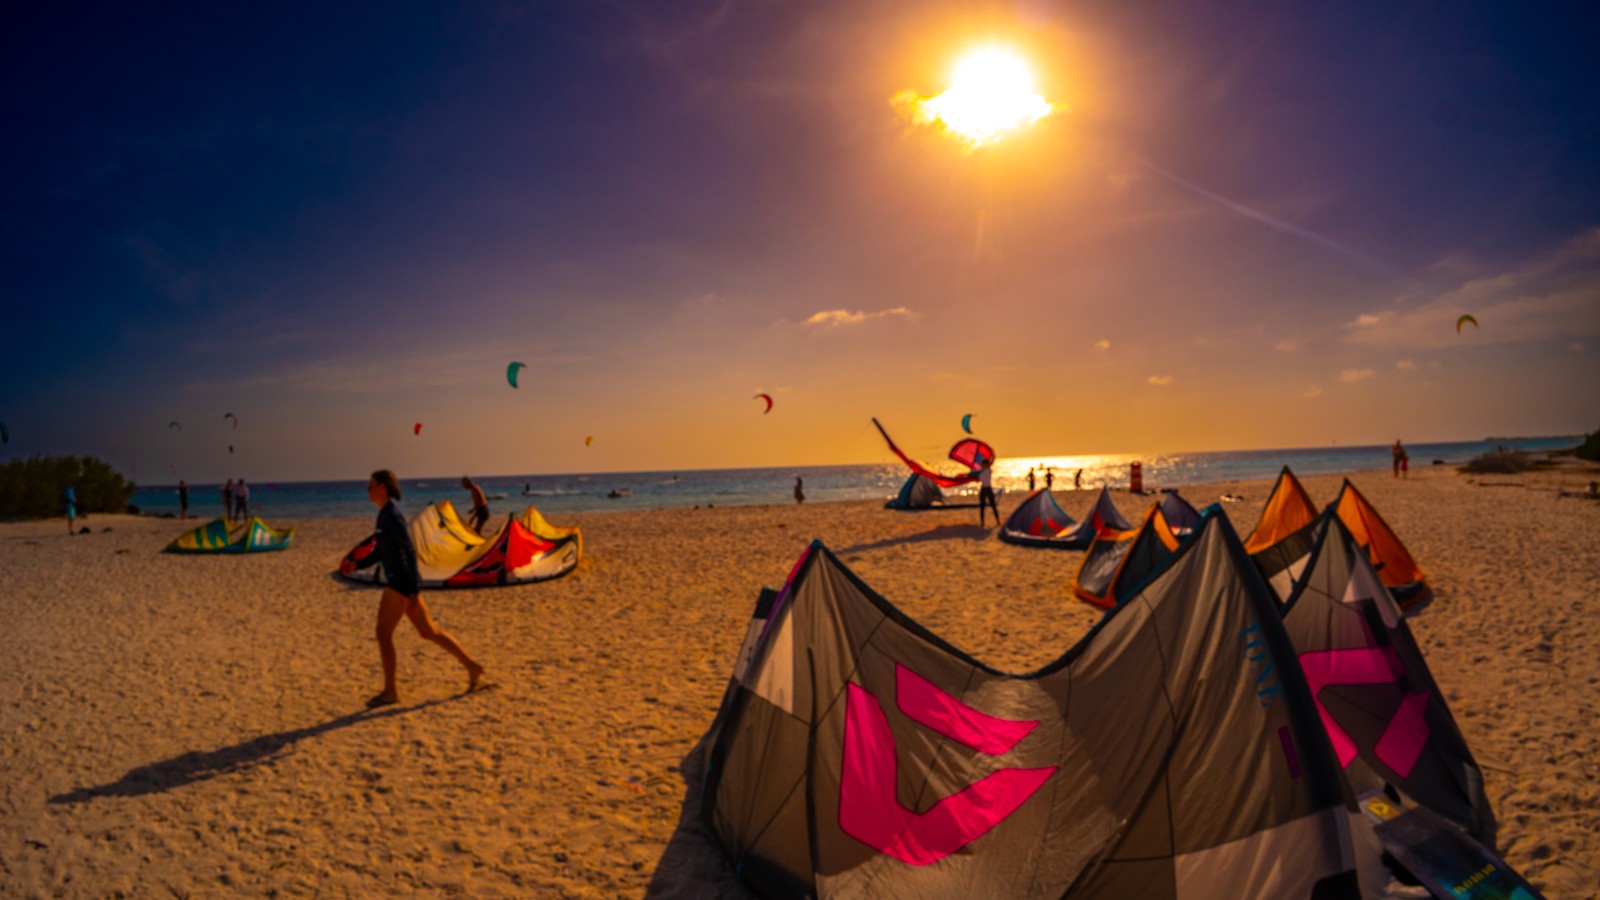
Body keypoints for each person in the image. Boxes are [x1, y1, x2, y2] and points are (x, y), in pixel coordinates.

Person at [365, 469, 485, 708]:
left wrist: (412, 590)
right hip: (401, 583)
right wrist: (356, 563)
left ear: (382, 488)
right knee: (429, 632)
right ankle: (472, 666)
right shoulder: (383, 515)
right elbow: (383, 550)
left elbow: (409, 551)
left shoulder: (392, 515)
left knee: (383, 634)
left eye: (371, 485)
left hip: (400, 584)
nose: (367, 490)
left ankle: (390, 692)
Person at [977, 458, 1000, 527]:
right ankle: (982, 522)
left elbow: (990, 463)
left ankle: (998, 521)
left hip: (988, 489)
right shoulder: (981, 471)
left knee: (993, 505)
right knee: (982, 506)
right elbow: (979, 480)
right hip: (983, 489)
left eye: (983, 464)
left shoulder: (988, 470)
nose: (982, 465)